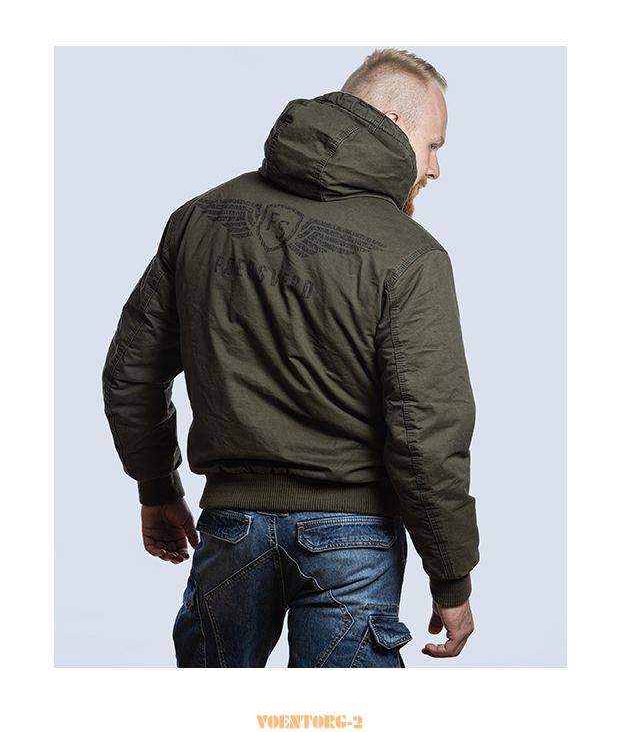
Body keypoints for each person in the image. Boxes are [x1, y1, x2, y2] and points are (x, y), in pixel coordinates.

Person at [102, 48, 479, 667]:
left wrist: (156, 487)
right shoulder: (410, 255)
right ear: (393, 121)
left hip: (230, 527)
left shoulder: (200, 219)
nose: (435, 167)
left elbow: (130, 372)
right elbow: (426, 432)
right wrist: (452, 575)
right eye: (434, 145)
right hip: (353, 540)